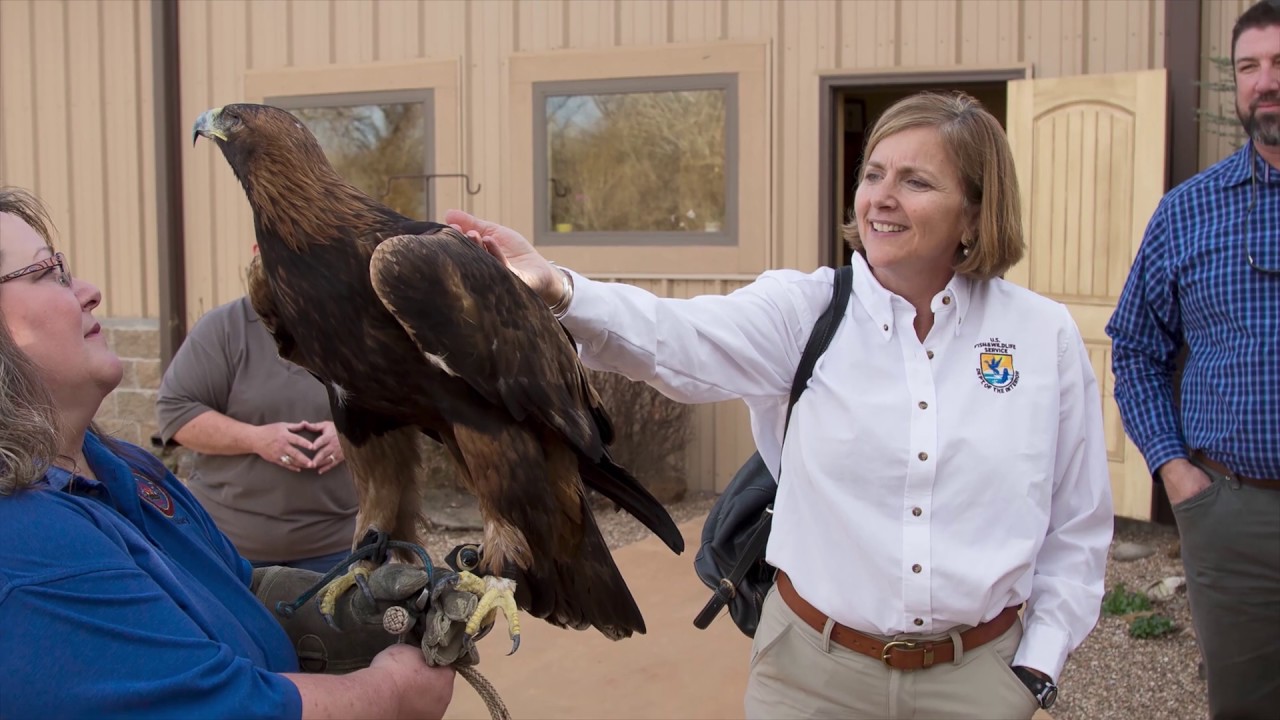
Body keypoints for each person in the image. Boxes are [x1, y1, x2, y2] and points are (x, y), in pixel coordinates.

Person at [448, 90, 1113, 719]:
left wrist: (1036, 665)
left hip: (979, 680)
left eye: (916, 181)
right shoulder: (807, 312)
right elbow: (673, 334)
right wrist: (561, 287)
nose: (882, 197)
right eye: (873, 173)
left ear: (974, 209)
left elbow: (1076, 521)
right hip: (812, 677)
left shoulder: (1041, 336)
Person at [0, 186, 455, 719]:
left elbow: (231, 587)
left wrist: (351, 609)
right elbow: (232, 708)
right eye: (46, 273)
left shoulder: (120, 465)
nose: (89, 290)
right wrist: (393, 694)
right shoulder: (27, 546)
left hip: (331, 542)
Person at [1106, 2, 1280, 716]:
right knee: (1244, 704)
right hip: (1232, 515)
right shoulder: (1187, 211)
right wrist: (1177, 473)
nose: (1266, 81)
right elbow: (1135, 346)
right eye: (1250, 67)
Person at [156, 275, 359, 574]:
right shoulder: (224, 327)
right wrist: (256, 439)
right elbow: (175, 414)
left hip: (339, 547)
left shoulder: (355, 328)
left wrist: (352, 435)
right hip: (233, 549)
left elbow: (402, 407)